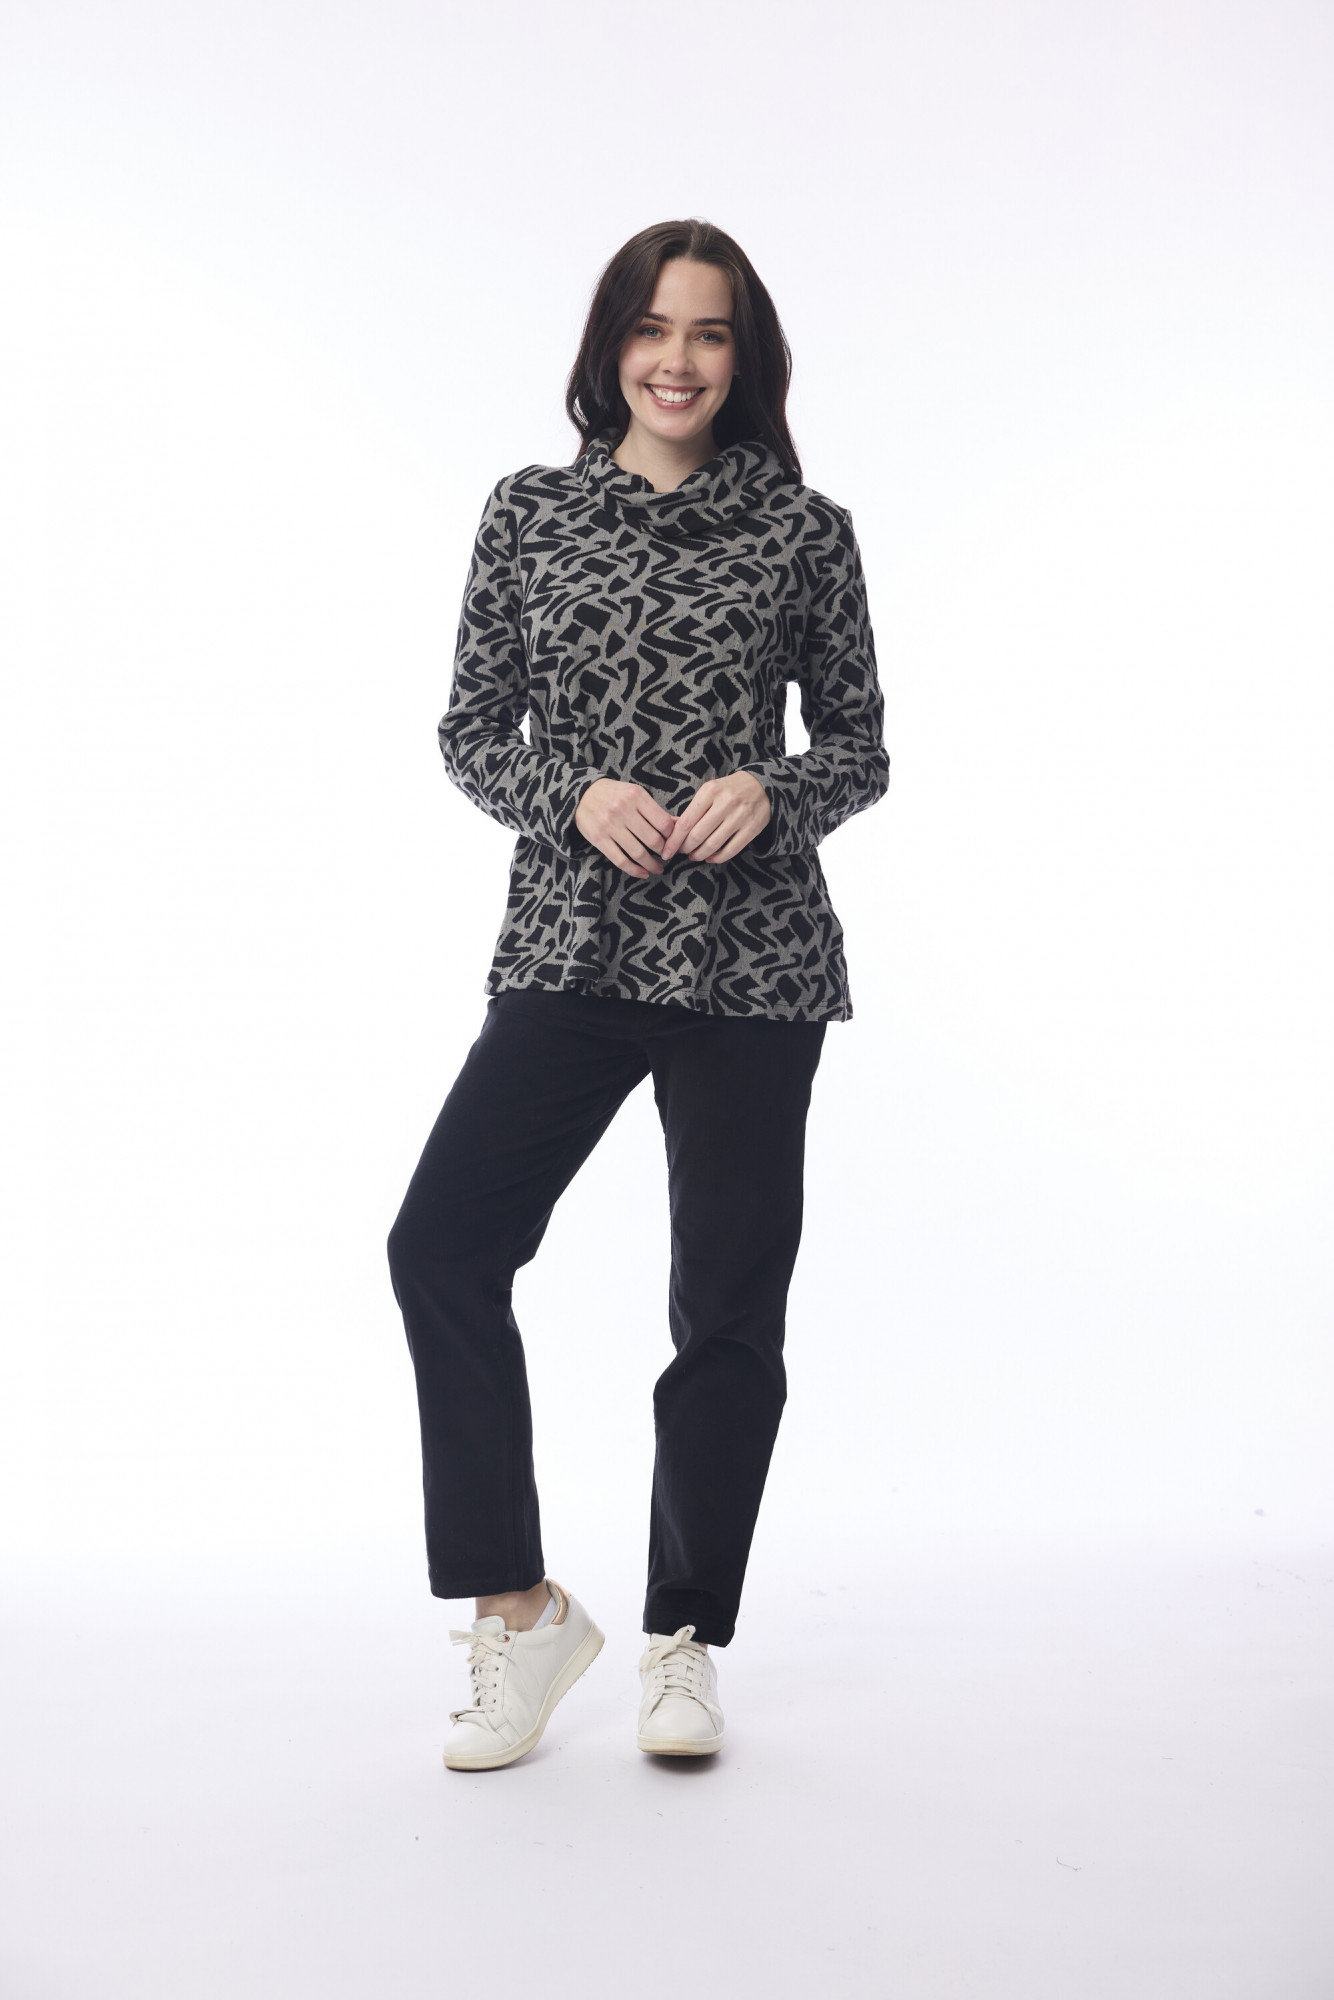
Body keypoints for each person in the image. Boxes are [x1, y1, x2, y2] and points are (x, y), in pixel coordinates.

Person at [386, 217, 890, 1772]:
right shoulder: (529, 512)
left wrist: (774, 792)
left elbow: (859, 747)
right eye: (652, 329)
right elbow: (472, 731)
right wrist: (573, 794)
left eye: (709, 332)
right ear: (611, 346)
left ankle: (685, 1643)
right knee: (443, 1245)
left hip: (754, 961)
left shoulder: (803, 531)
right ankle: (520, 1613)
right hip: (573, 947)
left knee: (725, 1306)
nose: (678, 360)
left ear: (745, 356)